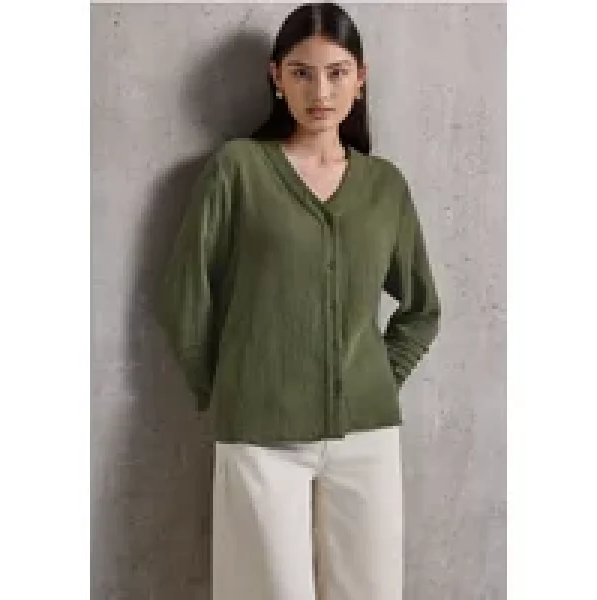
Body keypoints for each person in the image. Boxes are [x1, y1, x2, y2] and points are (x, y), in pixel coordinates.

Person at [156, 3, 441, 599]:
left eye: (337, 73)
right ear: (276, 77)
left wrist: (375, 378)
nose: (321, 92)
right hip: (260, 434)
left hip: (367, 436)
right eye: (302, 73)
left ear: (361, 78)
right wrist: (230, 388)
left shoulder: (385, 186)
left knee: (372, 591)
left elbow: (421, 309)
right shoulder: (238, 169)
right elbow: (185, 295)